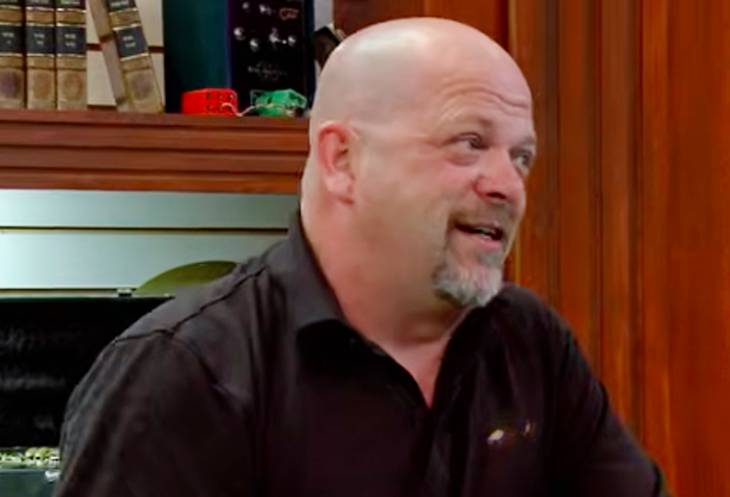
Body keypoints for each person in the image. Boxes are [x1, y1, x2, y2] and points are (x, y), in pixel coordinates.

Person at [55, 18, 668, 497]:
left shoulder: (530, 343)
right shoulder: (185, 377)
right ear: (342, 160)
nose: (508, 185)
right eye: (469, 143)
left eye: (521, 157)